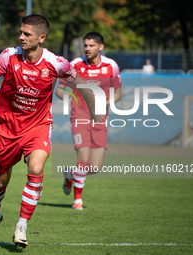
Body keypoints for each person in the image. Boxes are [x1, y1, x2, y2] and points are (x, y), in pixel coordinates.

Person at [0, 14, 101, 248]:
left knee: (36, 167)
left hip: (38, 126)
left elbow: (83, 85)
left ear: (41, 38)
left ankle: (22, 225)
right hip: (6, 128)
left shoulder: (57, 63)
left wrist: (94, 111)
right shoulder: (8, 56)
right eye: (20, 32)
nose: (20, 37)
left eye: (26, 34)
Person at [56, 32, 122, 210]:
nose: (87, 49)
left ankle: (70, 174)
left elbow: (118, 93)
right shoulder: (75, 65)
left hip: (100, 118)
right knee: (83, 158)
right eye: (85, 45)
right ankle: (78, 200)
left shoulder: (111, 66)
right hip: (80, 117)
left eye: (91, 45)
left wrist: (103, 103)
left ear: (101, 47)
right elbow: (60, 90)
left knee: (95, 167)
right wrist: (69, 97)